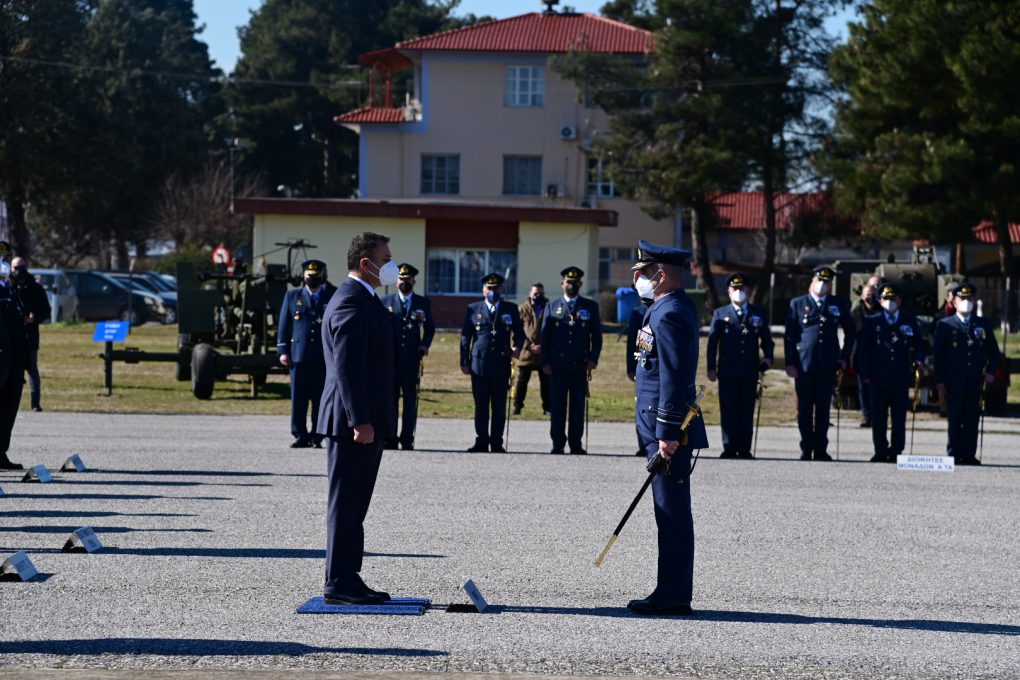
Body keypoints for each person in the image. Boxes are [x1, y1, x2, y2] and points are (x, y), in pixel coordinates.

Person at [316, 231, 398, 605]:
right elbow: (347, 369)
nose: (391, 264)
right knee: (346, 503)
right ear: (365, 263)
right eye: (385, 257)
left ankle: (348, 576)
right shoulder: (350, 301)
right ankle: (338, 581)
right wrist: (359, 420)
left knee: (355, 504)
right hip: (353, 425)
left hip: (365, 422)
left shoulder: (365, 299)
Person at [627, 240, 708, 616]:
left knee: (672, 511)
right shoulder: (661, 308)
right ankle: (670, 589)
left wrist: (668, 431)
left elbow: (675, 377)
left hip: (667, 431)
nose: (637, 279)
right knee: (667, 509)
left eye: (643, 273)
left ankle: (673, 594)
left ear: (660, 275)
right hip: (660, 427)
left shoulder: (670, 312)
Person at [784, 265, 855, 461]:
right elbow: (790, 336)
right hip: (803, 365)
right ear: (813, 281)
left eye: (827, 282)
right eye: (820, 281)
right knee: (805, 409)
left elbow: (850, 332)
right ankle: (806, 447)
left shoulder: (838, 304)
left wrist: (844, 357)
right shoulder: (797, 304)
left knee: (823, 409)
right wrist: (790, 362)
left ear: (831, 285)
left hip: (828, 364)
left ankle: (821, 448)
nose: (823, 285)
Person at [706, 273, 773, 459]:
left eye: (742, 288)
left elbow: (767, 340)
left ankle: (744, 448)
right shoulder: (720, 314)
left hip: (750, 370)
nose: (739, 292)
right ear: (728, 291)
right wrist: (711, 367)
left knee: (746, 410)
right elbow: (713, 343)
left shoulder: (758, 313)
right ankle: (729, 447)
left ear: (748, 290)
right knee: (728, 410)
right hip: (727, 371)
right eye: (735, 289)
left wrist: (768, 358)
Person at [933, 283, 1000, 466]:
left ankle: (969, 454)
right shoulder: (945, 325)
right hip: (953, 381)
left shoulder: (983, 324)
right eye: (962, 299)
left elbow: (994, 353)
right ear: (954, 302)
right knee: (954, 419)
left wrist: (991, 372)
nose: (966, 302)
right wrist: (939, 380)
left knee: (972, 420)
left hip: (975, 380)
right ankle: (954, 452)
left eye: (969, 299)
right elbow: (939, 356)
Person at [858, 283, 926, 462]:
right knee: (878, 417)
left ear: (900, 300)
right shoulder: (872, 321)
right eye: (886, 299)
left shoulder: (909, 321)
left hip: (900, 376)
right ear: (880, 301)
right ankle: (880, 450)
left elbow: (920, 345)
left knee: (898, 417)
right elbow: (864, 350)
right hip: (877, 377)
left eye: (893, 298)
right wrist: (864, 372)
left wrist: (919, 360)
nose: (890, 302)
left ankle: (896, 450)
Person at [541, 266, 603, 455]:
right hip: (557, 367)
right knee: (557, 407)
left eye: (575, 283)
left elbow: (597, 336)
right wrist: (545, 361)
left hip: (579, 367)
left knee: (577, 408)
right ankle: (557, 444)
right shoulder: (552, 306)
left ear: (580, 284)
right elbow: (544, 337)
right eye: (568, 282)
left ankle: (576, 444)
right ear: (562, 284)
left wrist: (593, 359)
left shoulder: (590, 306)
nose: (571, 285)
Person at [460, 273, 524, 453]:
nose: (492, 292)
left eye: (496, 288)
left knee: (499, 405)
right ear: (483, 290)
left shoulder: (511, 309)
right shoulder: (473, 309)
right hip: (479, 364)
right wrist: (464, 361)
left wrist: (517, 347)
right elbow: (466, 337)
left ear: (501, 290)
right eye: (489, 288)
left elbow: (520, 333)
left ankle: (496, 441)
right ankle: (481, 441)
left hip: (501, 363)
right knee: (481, 405)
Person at [278, 260, 336, 448]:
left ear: (322, 276)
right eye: (309, 275)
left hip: (322, 358)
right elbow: (284, 326)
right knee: (299, 398)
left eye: (316, 275)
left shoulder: (331, 295)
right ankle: (300, 434)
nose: (312, 278)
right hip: (298, 356)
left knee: (320, 398)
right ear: (304, 276)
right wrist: (283, 351)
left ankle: (317, 435)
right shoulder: (292, 296)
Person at [380, 263, 435, 450]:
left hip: (411, 359)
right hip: (389, 360)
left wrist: (424, 345)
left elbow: (430, 329)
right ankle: (390, 437)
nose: (404, 282)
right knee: (390, 401)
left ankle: (407, 438)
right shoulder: (385, 302)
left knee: (410, 401)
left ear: (414, 281)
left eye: (408, 279)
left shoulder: (422, 303)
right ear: (396, 281)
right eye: (401, 279)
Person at [0, 243, 28, 471]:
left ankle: (1, 453)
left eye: (5, 258)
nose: (4, 263)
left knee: (8, 409)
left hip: (13, 364)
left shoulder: (9, 290)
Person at [11, 257, 51, 412]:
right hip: (12, 337)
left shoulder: (36, 289)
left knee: (32, 369)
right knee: (12, 371)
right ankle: (10, 403)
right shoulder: (8, 287)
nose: (18, 271)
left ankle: (35, 403)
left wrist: (34, 319)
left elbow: (46, 311)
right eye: (15, 267)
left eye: (21, 267)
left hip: (30, 336)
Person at [851, 275, 882, 428]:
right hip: (861, 354)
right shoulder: (856, 312)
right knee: (863, 387)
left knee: (877, 388)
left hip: (878, 355)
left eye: (873, 294)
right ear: (862, 296)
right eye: (867, 295)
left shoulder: (882, 313)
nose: (870, 297)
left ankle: (877, 415)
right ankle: (866, 415)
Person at [513, 283, 549, 416]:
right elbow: (517, 331)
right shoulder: (522, 309)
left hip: (543, 353)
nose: (538, 296)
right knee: (522, 382)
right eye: (535, 293)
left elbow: (553, 331)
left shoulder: (550, 307)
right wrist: (529, 345)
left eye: (541, 293)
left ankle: (547, 408)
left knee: (546, 383)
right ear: (530, 294)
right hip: (526, 352)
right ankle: (517, 407)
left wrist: (543, 347)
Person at [626, 294, 646, 456]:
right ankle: (643, 444)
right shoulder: (638, 312)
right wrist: (631, 367)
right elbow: (633, 340)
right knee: (641, 406)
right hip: (642, 366)